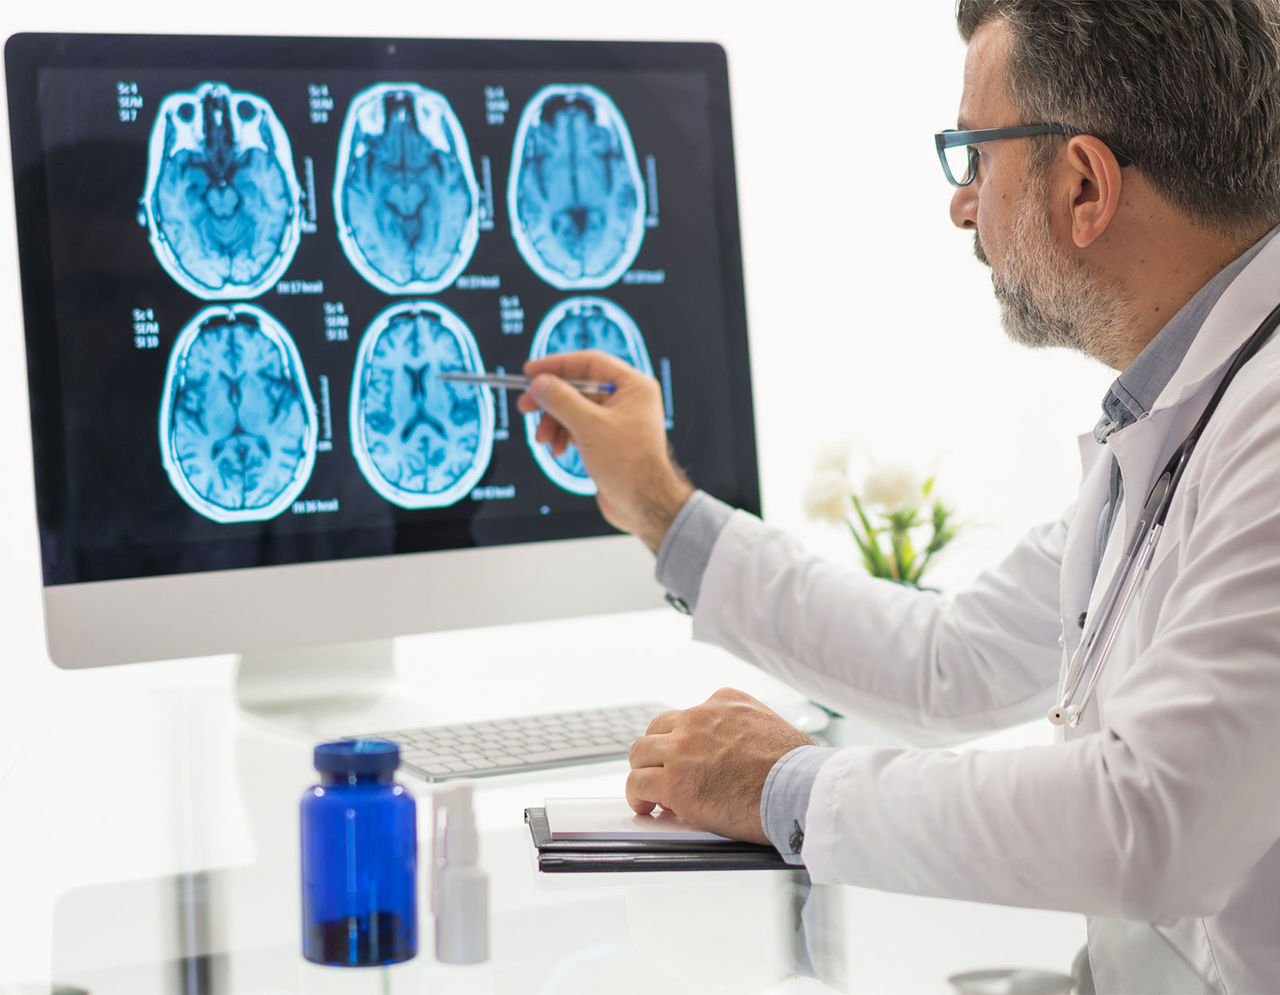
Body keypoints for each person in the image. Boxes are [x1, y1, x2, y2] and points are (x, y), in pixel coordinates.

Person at [516, 2, 1280, 991]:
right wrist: (660, 505)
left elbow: (1151, 823)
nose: (961, 206)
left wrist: (792, 786)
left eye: (974, 155)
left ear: (1083, 185)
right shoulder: (1189, 411)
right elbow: (952, 659)